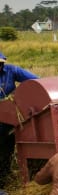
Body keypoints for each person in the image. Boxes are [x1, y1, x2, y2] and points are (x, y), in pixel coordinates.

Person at [0, 52, 38, 186]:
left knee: (6, 149)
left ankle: (4, 178)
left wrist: (17, 93)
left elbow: (35, 81)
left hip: (8, 118)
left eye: (0, 64)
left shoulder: (12, 70)